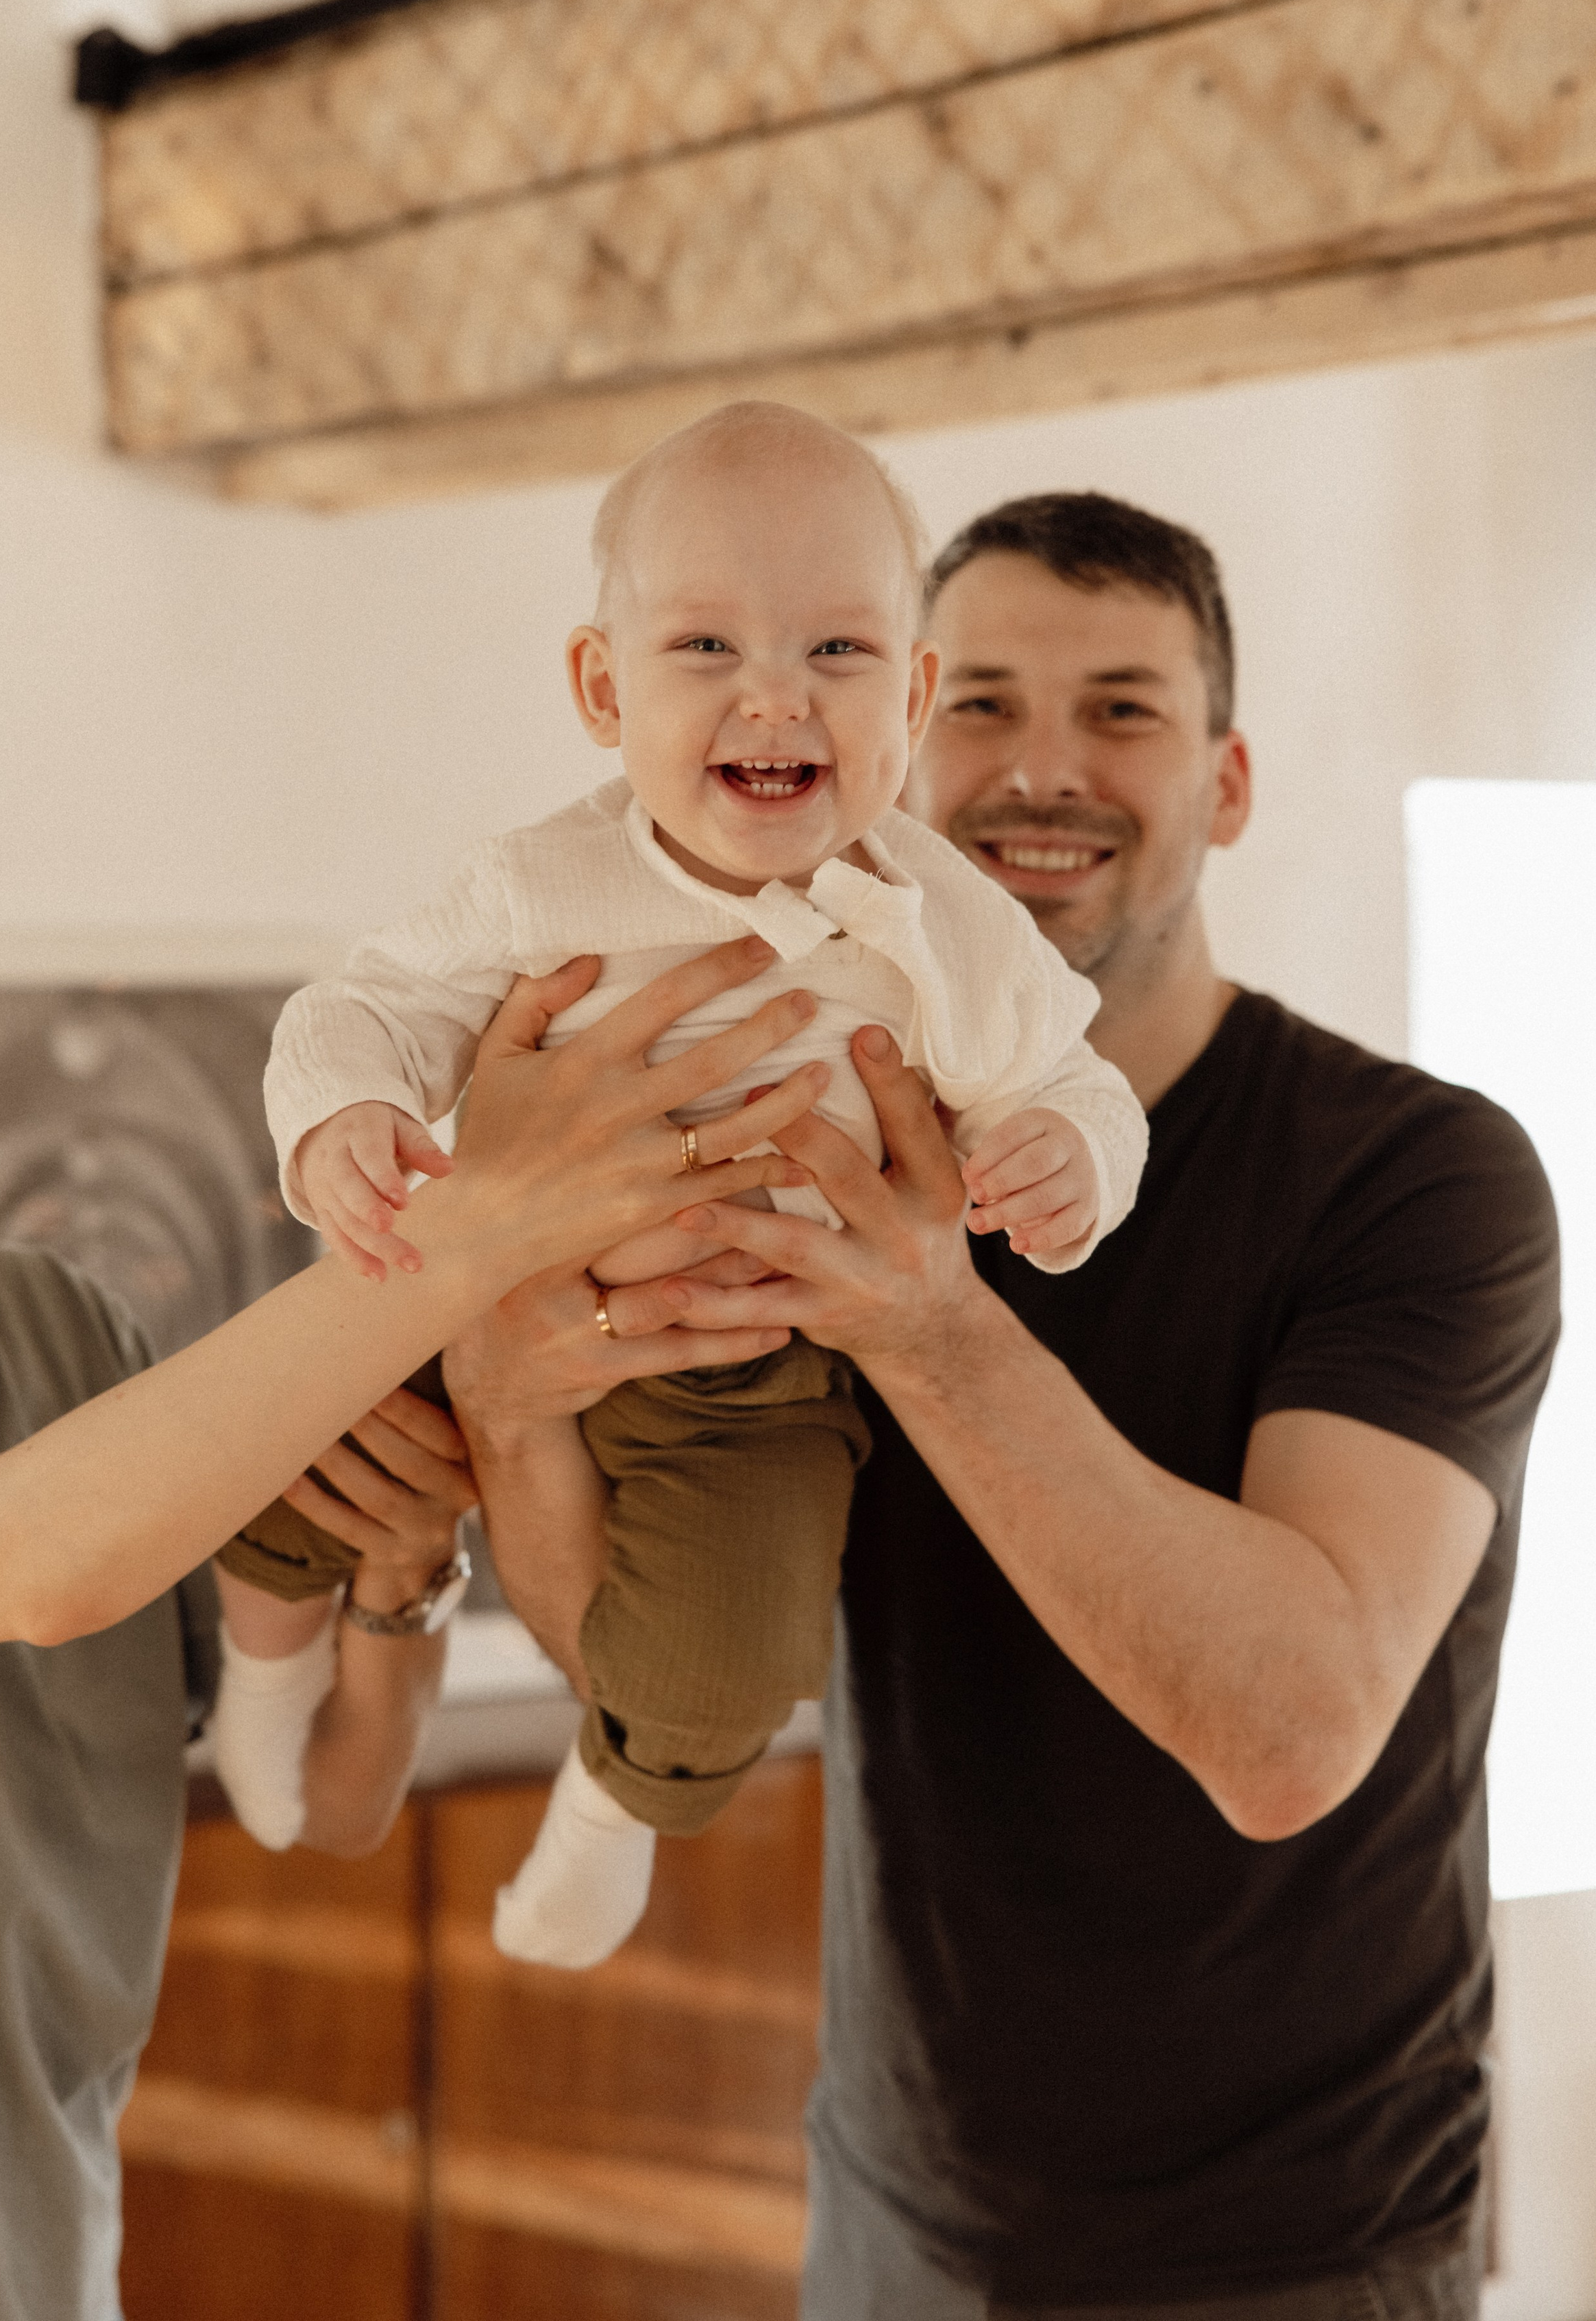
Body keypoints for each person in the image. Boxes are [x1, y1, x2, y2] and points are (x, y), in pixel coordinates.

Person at [439, 488, 1560, 2318]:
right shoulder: (777, 1148)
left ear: (1229, 782)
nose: (1045, 771)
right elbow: (661, 1658)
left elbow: (1293, 1734)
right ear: (888, 750)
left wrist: (926, 1321)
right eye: (982, 707)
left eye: (1123, 709)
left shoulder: (1417, 1178)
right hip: (898, 2232)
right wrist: (506, 1393)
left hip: (1300, 2256)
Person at [0, 773, 826, 2321]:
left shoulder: (59, 1329)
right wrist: (488, 1218)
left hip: (45, 2265)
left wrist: (401, 1569)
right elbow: (16, 1563)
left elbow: (325, 1801)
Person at [228, 404, 1146, 1968]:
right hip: (482, 1282)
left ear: (913, 696)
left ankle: (614, 1803)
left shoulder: (949, 920)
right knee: (285, 1426)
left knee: (737, 1651)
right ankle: (262, 1672)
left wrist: (1069, 1158)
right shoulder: (541, 883)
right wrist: (350, 1117)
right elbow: (359, 1011)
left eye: (839, 653)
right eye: (705, 646)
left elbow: (1069, 1077)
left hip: (752, 1364)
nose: (773, 693)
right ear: (602, 688)